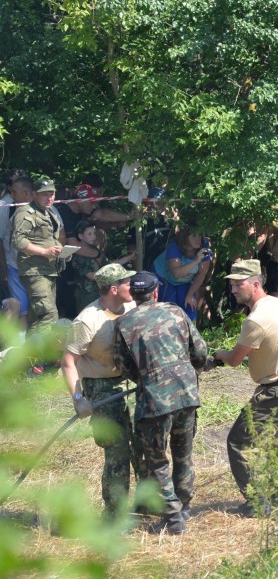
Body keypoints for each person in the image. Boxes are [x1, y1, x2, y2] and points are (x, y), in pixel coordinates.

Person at [114, 271, 208, 535]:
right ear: (156, 292)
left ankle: (174, 515)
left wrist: (147, 378)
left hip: (154, 401)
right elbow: (200, 352)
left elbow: (124, 369)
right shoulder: (177, 312)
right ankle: (184, 505)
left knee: (157, 460)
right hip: (187, 393)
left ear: (133, 295)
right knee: (183, 453)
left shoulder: (123, 324)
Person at [213, 259, 278, 517]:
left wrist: (219, 354)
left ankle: (256, 502)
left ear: (255, 284)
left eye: (238, 285)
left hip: (275, 388)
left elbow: (234, 360)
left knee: (238, 441)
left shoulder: (255, 320)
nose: (233, 290)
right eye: (231, 285)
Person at [60, 263, 139, 517]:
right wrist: (79, 398)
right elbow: (68, 363)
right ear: (114, 289)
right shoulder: (87, 320)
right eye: (128, 282)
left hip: (132, 383)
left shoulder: (132, 307)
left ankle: (148, 507)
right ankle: (115, 514)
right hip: (103, 386)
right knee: (117, 451)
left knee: (142, 444)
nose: (133, 286)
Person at [12, 179, 65, 332]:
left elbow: (52, 238)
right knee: (49, 315)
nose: (49, 198)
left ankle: (33, 355)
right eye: (44, 195)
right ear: (34, 194)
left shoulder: (50, 212)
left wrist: (62, 250)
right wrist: (45, 252)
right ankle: (45, 355)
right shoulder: (25, 212)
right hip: (34, 271)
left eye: (52, 194)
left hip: (48, 270)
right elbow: (18, 240)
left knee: (37, 318)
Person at [152, 224, 212, 322]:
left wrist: (190, 294)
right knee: (169, 308)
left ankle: (190, 333)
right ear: (185, 237)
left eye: (200, 235)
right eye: (194, 236)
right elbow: (176, 273)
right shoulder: (174, 247)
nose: (198, 239)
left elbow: (202, 274)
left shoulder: (204, 249)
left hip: (185, 280)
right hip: (163, 276)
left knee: (189, 305)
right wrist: (196, 261)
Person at [0, 173, 32, 327]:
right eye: (11, 190)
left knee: (36, 310)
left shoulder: (44, 206)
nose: (12, 194)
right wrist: (4, 268)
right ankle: (16, 347)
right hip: (13, 266)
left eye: (15, 191)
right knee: (18, 308)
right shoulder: (5, 205)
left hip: (36, 267)